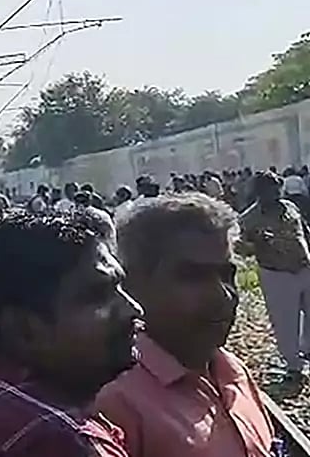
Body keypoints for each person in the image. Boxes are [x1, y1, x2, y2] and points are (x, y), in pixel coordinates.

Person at [96, 193, 275, 457]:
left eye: (227, 275)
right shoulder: (114, 402)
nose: (224, 295)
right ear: (132, 286)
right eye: (193, 276)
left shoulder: (230, 370)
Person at [0, 214, 140, 457]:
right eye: (98, 295)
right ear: (23, 329)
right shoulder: (56, 439)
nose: (133, 309)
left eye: (120, 288)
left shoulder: (8, 412)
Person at [238, 170, 310, 376]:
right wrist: (256, 243)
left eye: (277, 188)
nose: (275, 194)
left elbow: (303, 230)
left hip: (304, 266)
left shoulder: (290, 206)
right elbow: (238, 247)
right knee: (285, 320)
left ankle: (307, 350)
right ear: (259, 193)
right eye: (269, 190)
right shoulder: (249, 218)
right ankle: (293, 364)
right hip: (277, 273)